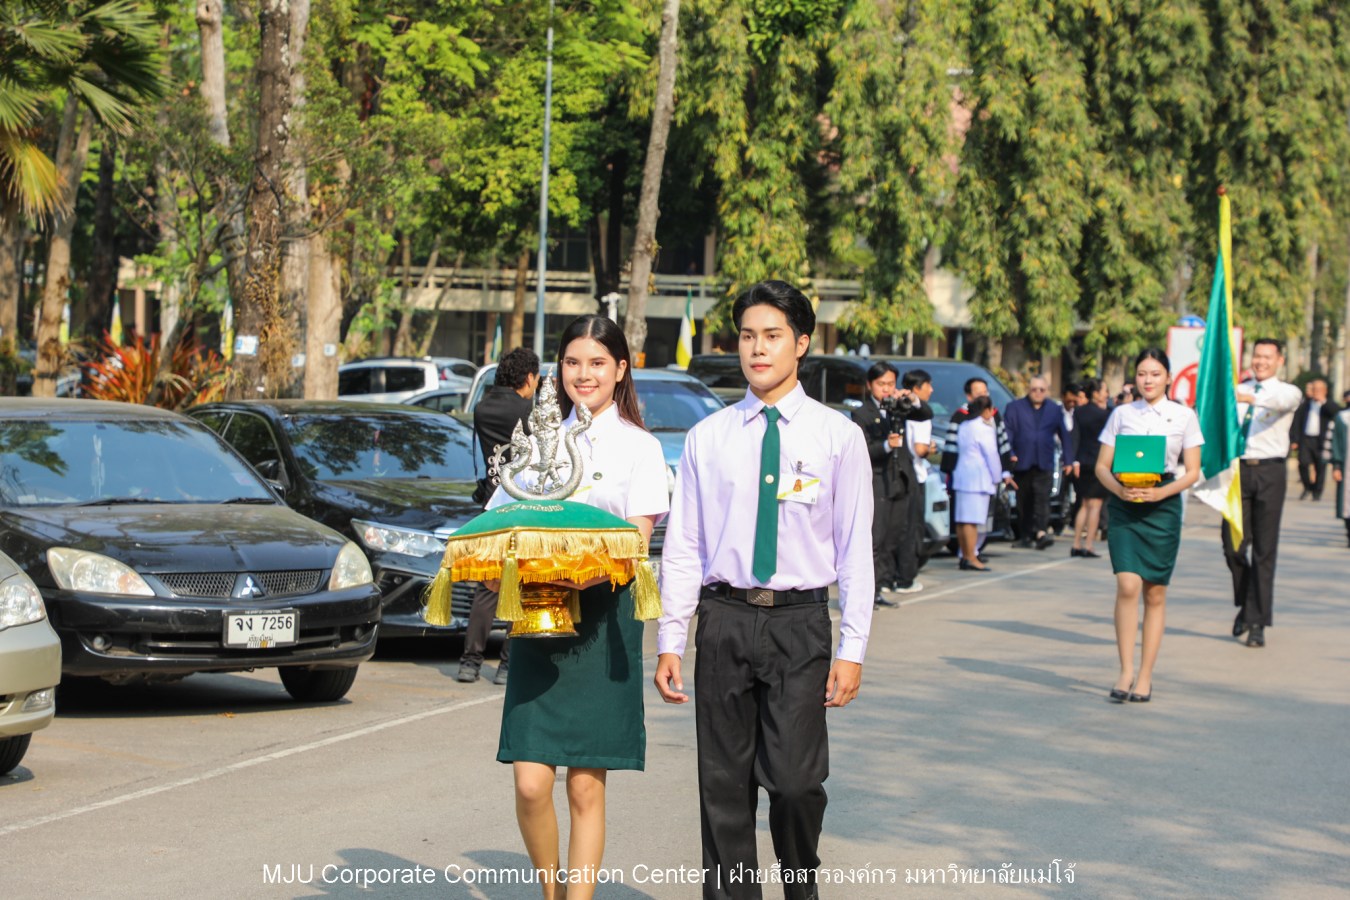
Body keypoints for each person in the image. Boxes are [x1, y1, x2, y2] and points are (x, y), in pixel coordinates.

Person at [655, 280, 874, 900]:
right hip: (724, 619)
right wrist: (673, 638)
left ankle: (800, 889)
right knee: (723, 786)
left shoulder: (837, 436)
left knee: (797, 784)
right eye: (748, 336)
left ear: (801, 343)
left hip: (800, 625)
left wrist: (853, 648)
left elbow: (856, 546)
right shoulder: (709, 437)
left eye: (773, 336)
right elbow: (685, 547)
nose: (757, 349)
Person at [488, 316, 669, 900]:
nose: (583, 374)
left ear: (620, 370)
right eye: (571, 362)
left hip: (603, 626)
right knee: (532, 784)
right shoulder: (534, 441)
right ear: (557, 370)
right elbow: (497, 522)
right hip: (538, 625)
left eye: (596, 363)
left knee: (587, 789)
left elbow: (636, 542)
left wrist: (576, 566)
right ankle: (551, 890)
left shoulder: (640, 447)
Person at [1095, 349, 1203, 703]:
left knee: (1154, 592)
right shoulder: (1121, 414)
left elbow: (1192, 471)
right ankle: (1125, 671)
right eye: (1142, 373)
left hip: (1163, 506)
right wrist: (1120, 491)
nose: (1148, 380)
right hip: (1125, 508)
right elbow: (1101, 467)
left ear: (1168, 378)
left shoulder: (1184, 416)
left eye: (1155, 374)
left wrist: (1161, 495)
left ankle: (1145, 676)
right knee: (1127, 585)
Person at [458, 347, 540, 685]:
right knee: (522, 585)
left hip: (491, 505)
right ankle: (508, 664)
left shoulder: (482, 407)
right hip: (521, 504)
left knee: (488, 586)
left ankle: (470, 661)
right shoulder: (527, 412)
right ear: (528, 377)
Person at [1225, 339, 1302, 648]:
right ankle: (1246, 602)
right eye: (1257, 356)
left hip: (1270, 471)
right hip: (1237, 472)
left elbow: (1282, 404)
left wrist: (1248, 398)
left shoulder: (1287, 391)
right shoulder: (1237, 389)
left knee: (1264, 550)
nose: (1261, 362)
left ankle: (1257, 623)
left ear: (1279, 360)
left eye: (1267, 357)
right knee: (1232, 545)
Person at [851, 361, 914, 609]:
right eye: (881, 384)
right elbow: (863, 450)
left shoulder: (899, 407)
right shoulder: (862, 414)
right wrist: (887, 445)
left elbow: (926, 413)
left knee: (892, 537)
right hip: (877, 481)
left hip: (898, 480)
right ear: (870, 385)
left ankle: (881, 586)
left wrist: (910, 399)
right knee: (874, 540)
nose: (886, 389)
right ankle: (867, 593)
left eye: (890, 384)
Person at [941, 377, 1014, 562]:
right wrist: (999, 476)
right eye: (978, 392)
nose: (982, 395)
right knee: (973, 521)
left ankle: (967, 554)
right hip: (978, 480)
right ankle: (970, 556)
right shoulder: (975, 423)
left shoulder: (967, 425)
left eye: (985, 392)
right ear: (969, 396)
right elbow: (992, 455)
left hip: (963, 479)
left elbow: (1002, 446)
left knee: (964, 519)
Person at [1003, 374, 1072, 549]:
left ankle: (1041, 532)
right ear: (1029, 390)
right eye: (1034, 389)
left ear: (1047, 391)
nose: (1038, 393)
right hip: (1022, 461)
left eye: (1042, 390)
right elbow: (1007, 434)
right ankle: (1025, 536)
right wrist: (1009, 454)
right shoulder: (1015, 408)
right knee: (1023, 500)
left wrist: (1069, 460)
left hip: (1044, 460)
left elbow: (1064, 435)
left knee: (1042, 498)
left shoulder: (1054, 409)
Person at [890, 368, 934, 594]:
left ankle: (889, 578)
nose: (932, 390)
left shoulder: (897, 408)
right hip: (913, 475)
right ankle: (905, 578)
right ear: (916, 388)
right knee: (911, 529)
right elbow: (919, 448)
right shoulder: (917, 413)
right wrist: (930, 449)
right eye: (928, 385)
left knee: (895, 527)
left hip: (895, 474)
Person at [1070, 378, 1110, 558]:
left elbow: (1074, 436)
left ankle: (1076, 543)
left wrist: (1074, 460)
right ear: (1095, 393)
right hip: (1099, 462)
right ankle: (1088, 545)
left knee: (1084, 504)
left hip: (1082, 462)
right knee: (1095, 506)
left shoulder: (1078, 412)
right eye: (1104, 391)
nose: (1106, 394)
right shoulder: (1105, 415)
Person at [1290, 377, 1339, 501]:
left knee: (1320, 467)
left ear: (1324, 390)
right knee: (1303, 463)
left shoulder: (1329, 404)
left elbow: (1337, 414)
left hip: (1322, 440)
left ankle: (1317, 492)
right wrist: (1294, 440)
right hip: (1306, 439)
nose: (1316, 392)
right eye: (1314, 389)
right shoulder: (1305, 405)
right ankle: (1307, 486)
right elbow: (1296, 422)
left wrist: (1323, 401)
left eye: (1318, 389)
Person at [1331, 403, 1350, 548]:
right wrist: (1337, 466)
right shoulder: (1343, 418)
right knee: (1347, 503)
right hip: (1347, 467)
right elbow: (1335, 442)